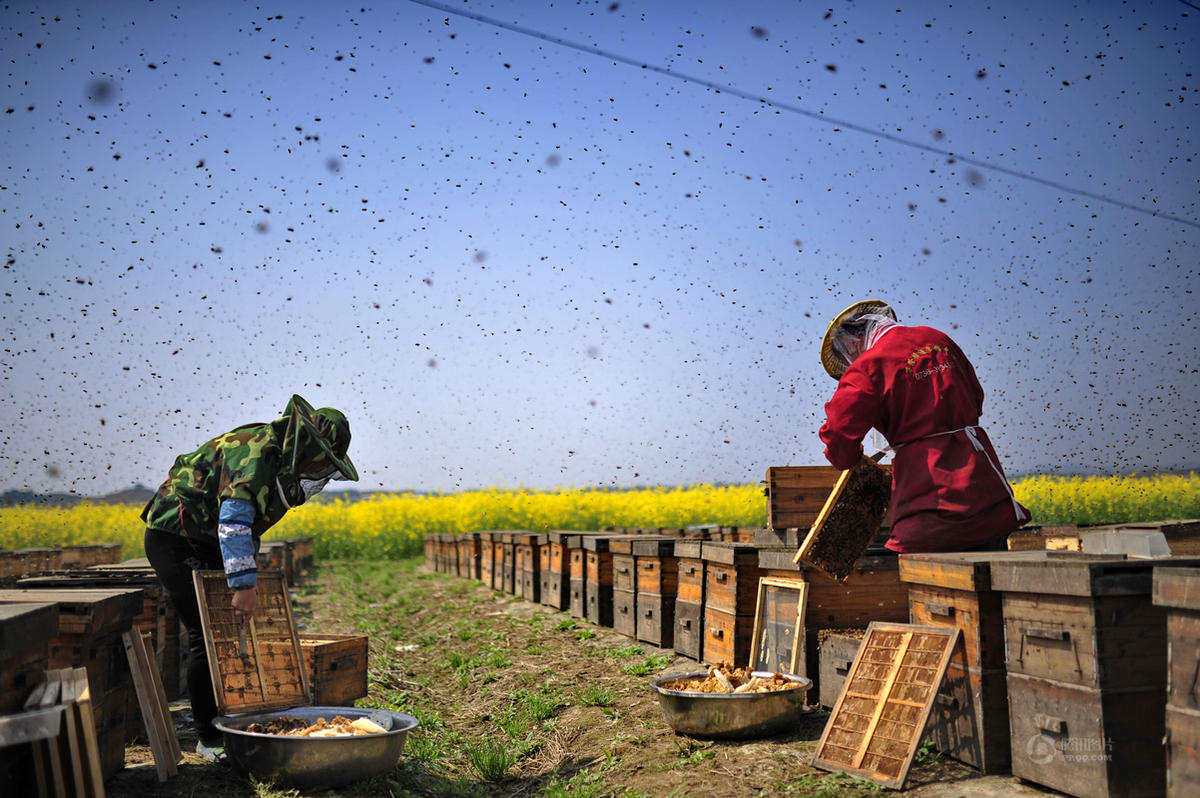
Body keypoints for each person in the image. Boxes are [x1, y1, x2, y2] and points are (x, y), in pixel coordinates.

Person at [141, 395, 358, 761]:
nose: (323, 469)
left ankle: (233, 719)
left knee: (226, 630)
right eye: (324, 458)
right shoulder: (256, 454)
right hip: (175, 537)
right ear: (306, 443)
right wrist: (243, 585)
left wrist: (245, 575)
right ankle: (208, 740)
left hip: (207, 539)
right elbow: (233, 522)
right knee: (205, 634)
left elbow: (249, 529)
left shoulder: (278, 462)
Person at [817, 300, 1030, 553]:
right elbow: (976, 398)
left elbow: (839, 441)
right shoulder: (937, 338)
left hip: (928, 501)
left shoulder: (868, 367)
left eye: (846, 354)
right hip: (984, 493)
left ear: (851, 342)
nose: (850, 358)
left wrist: (853, 458)